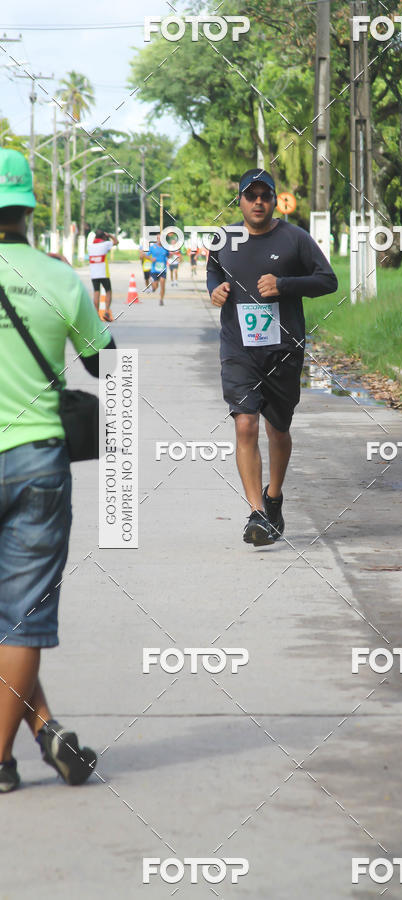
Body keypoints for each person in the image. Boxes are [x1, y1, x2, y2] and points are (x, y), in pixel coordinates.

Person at [0, 149, 115, 793]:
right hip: (40, 460)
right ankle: (20, 748)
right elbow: (106, 365)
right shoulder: (60, 278)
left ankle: (33, 738)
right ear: (26, 210)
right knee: (19, 617)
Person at [207, 168, 337, 546]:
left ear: (274, 199)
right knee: (245, 424)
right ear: (241, 201)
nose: (258, 202)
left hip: (283, 348)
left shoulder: (295, 238)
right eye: (252, 196)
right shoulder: (223, 238)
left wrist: (284, 285)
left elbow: (327, 280)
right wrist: (216, 290)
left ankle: (274, 496)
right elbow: (214, 271)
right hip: (238, 347)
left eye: (266, 196)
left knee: (277, 429)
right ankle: (257, 513)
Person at [89, 229, 118, 322]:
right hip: (103, 273)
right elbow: (116, 242)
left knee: (96, 293)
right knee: (108, 291)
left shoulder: (90, 246)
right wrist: (109, 235)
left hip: (94, 274)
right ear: (103, 237)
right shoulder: (105, 244)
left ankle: (96, 314)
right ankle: (106, 312)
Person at [147, 234, 169, 305]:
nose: (160, 240)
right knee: (155, 286)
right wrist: (151, 258)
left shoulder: (166, 248)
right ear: (157, 239)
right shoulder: (152, 247)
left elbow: (168, 255)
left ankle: (161, 299)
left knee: (162, 284)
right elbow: (146, 255)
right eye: (158, 238)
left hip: (163, 270)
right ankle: (153, 288)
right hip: (154, 270)